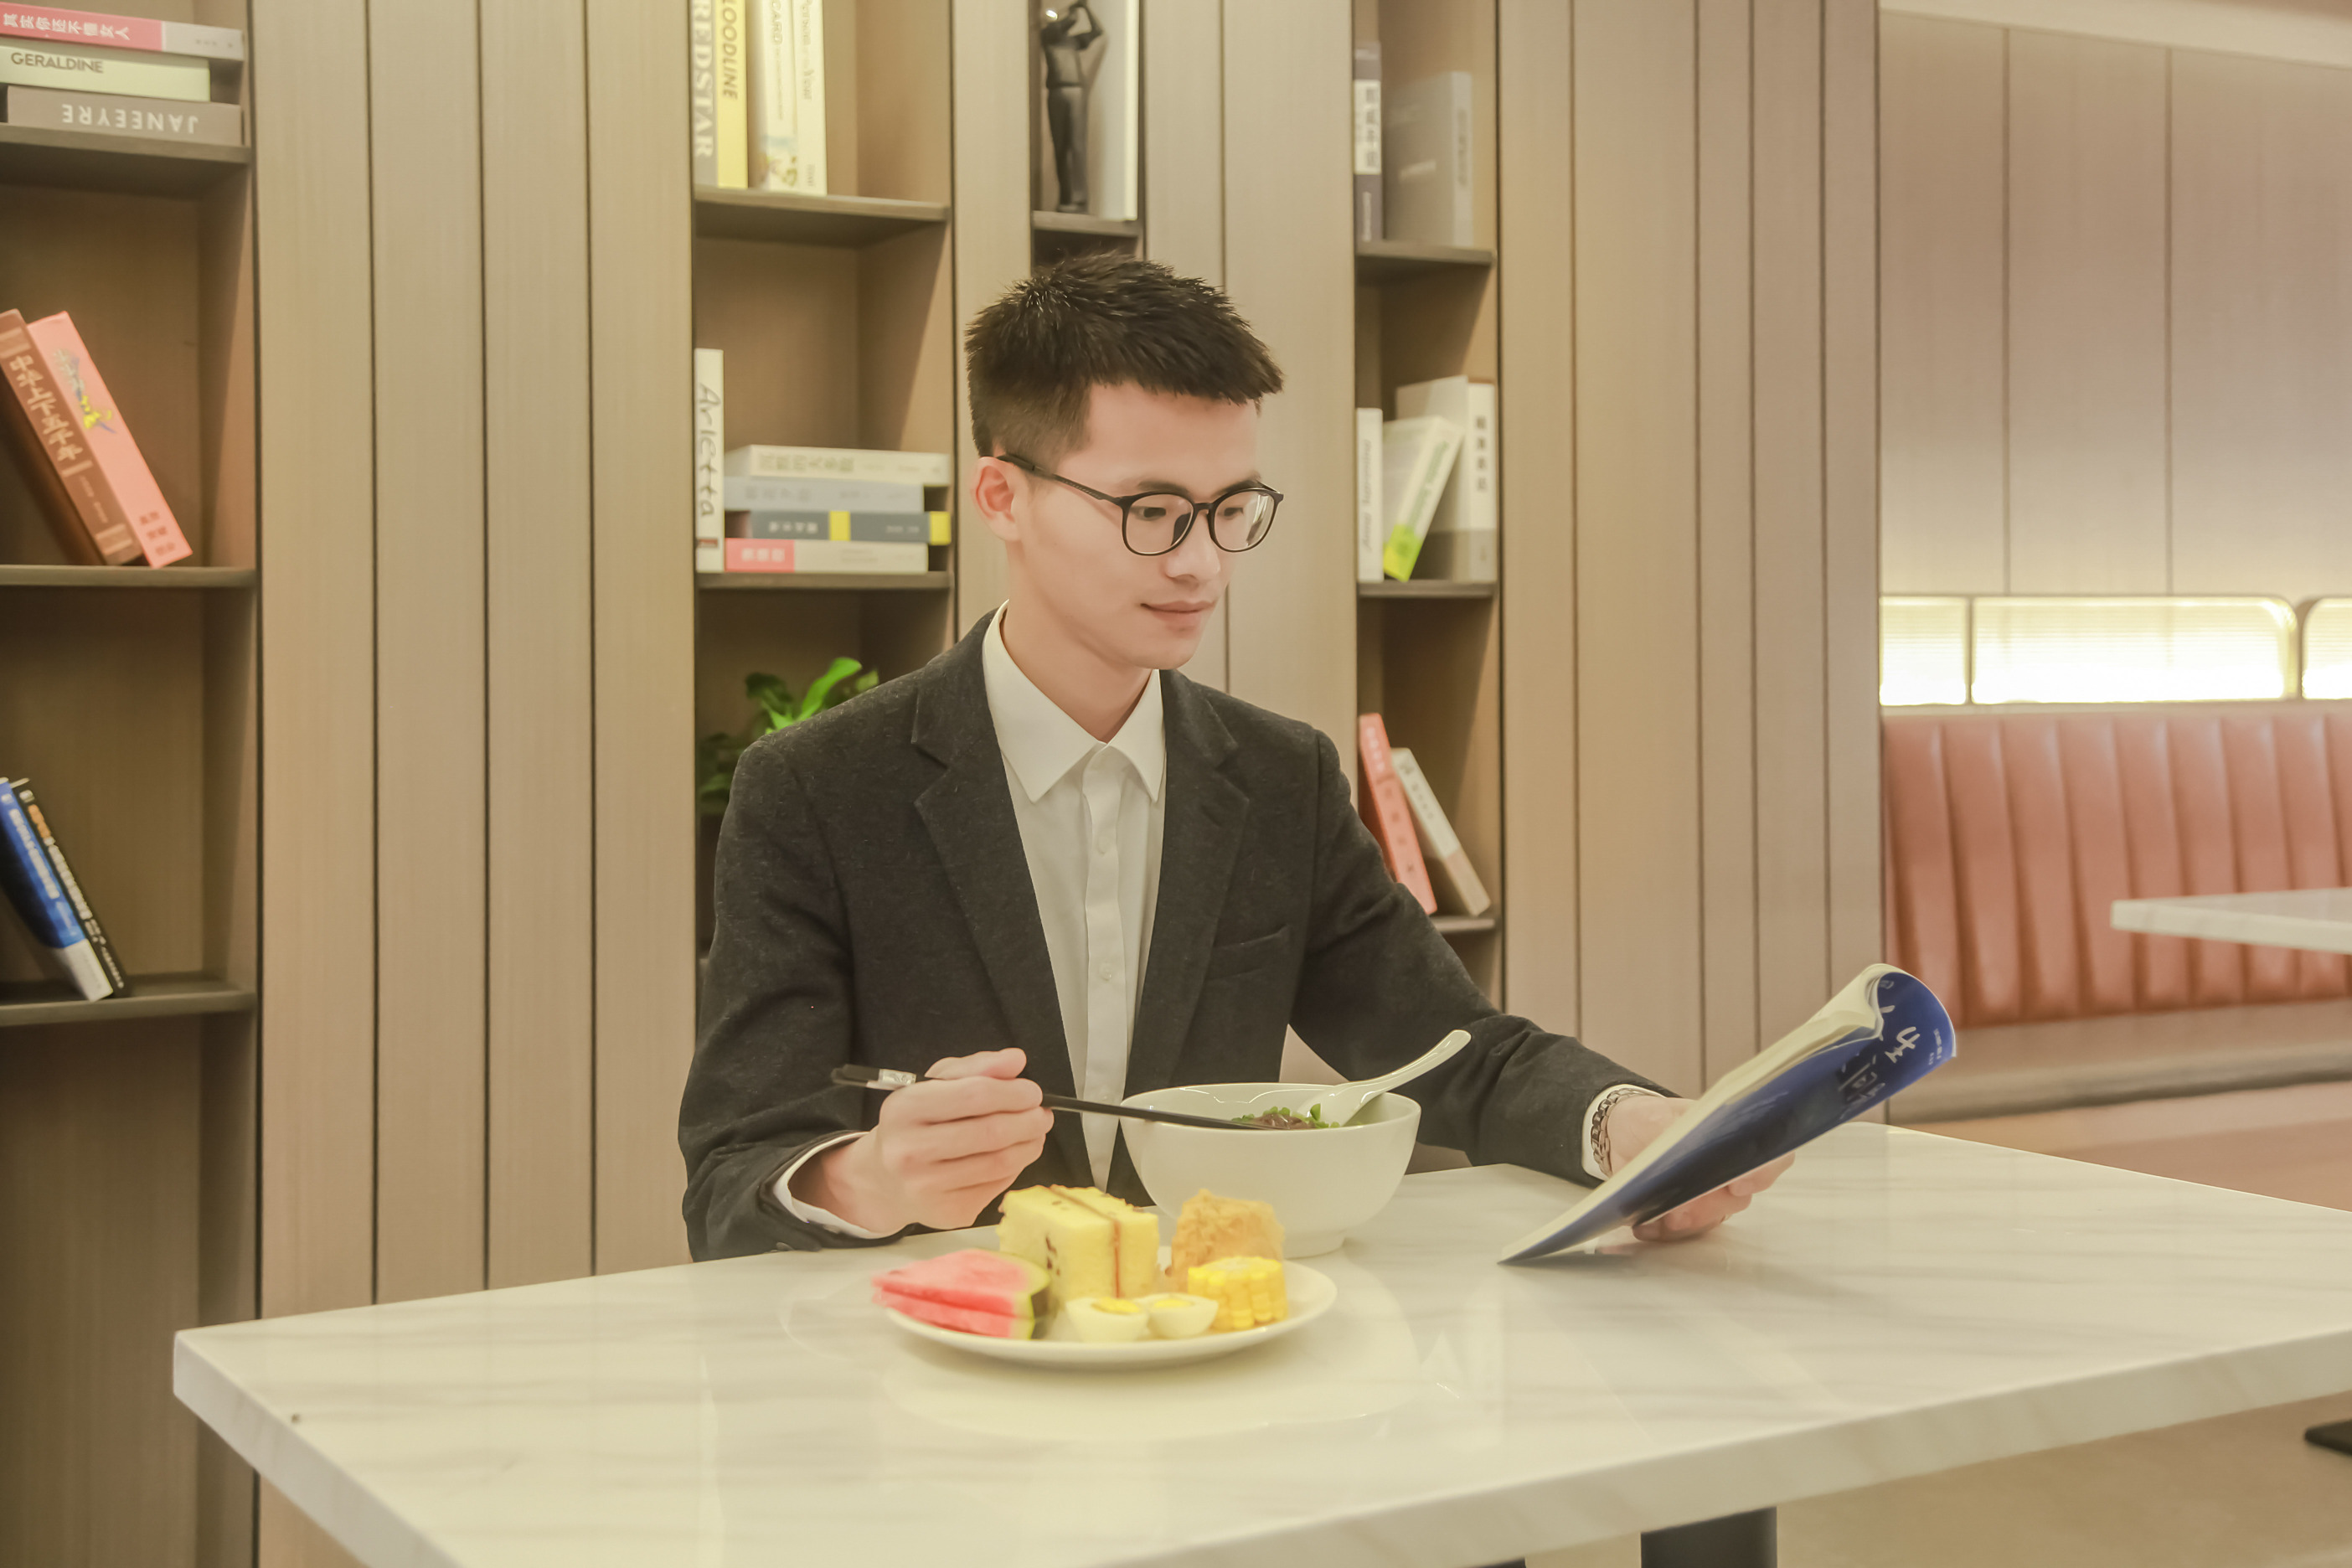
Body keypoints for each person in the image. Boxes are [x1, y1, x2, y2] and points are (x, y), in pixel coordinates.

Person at [679, 254, 1790, 1259]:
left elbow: (1455, 1055)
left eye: (1232, 509)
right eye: (1153, 509)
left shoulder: (1278, 780)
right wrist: (869, 1177)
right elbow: (731, 1180)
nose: (1202, 563)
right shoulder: (817, 791)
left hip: (1215, 1350)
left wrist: (1637, 1128)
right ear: (1003, 496)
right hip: (927, 1366)